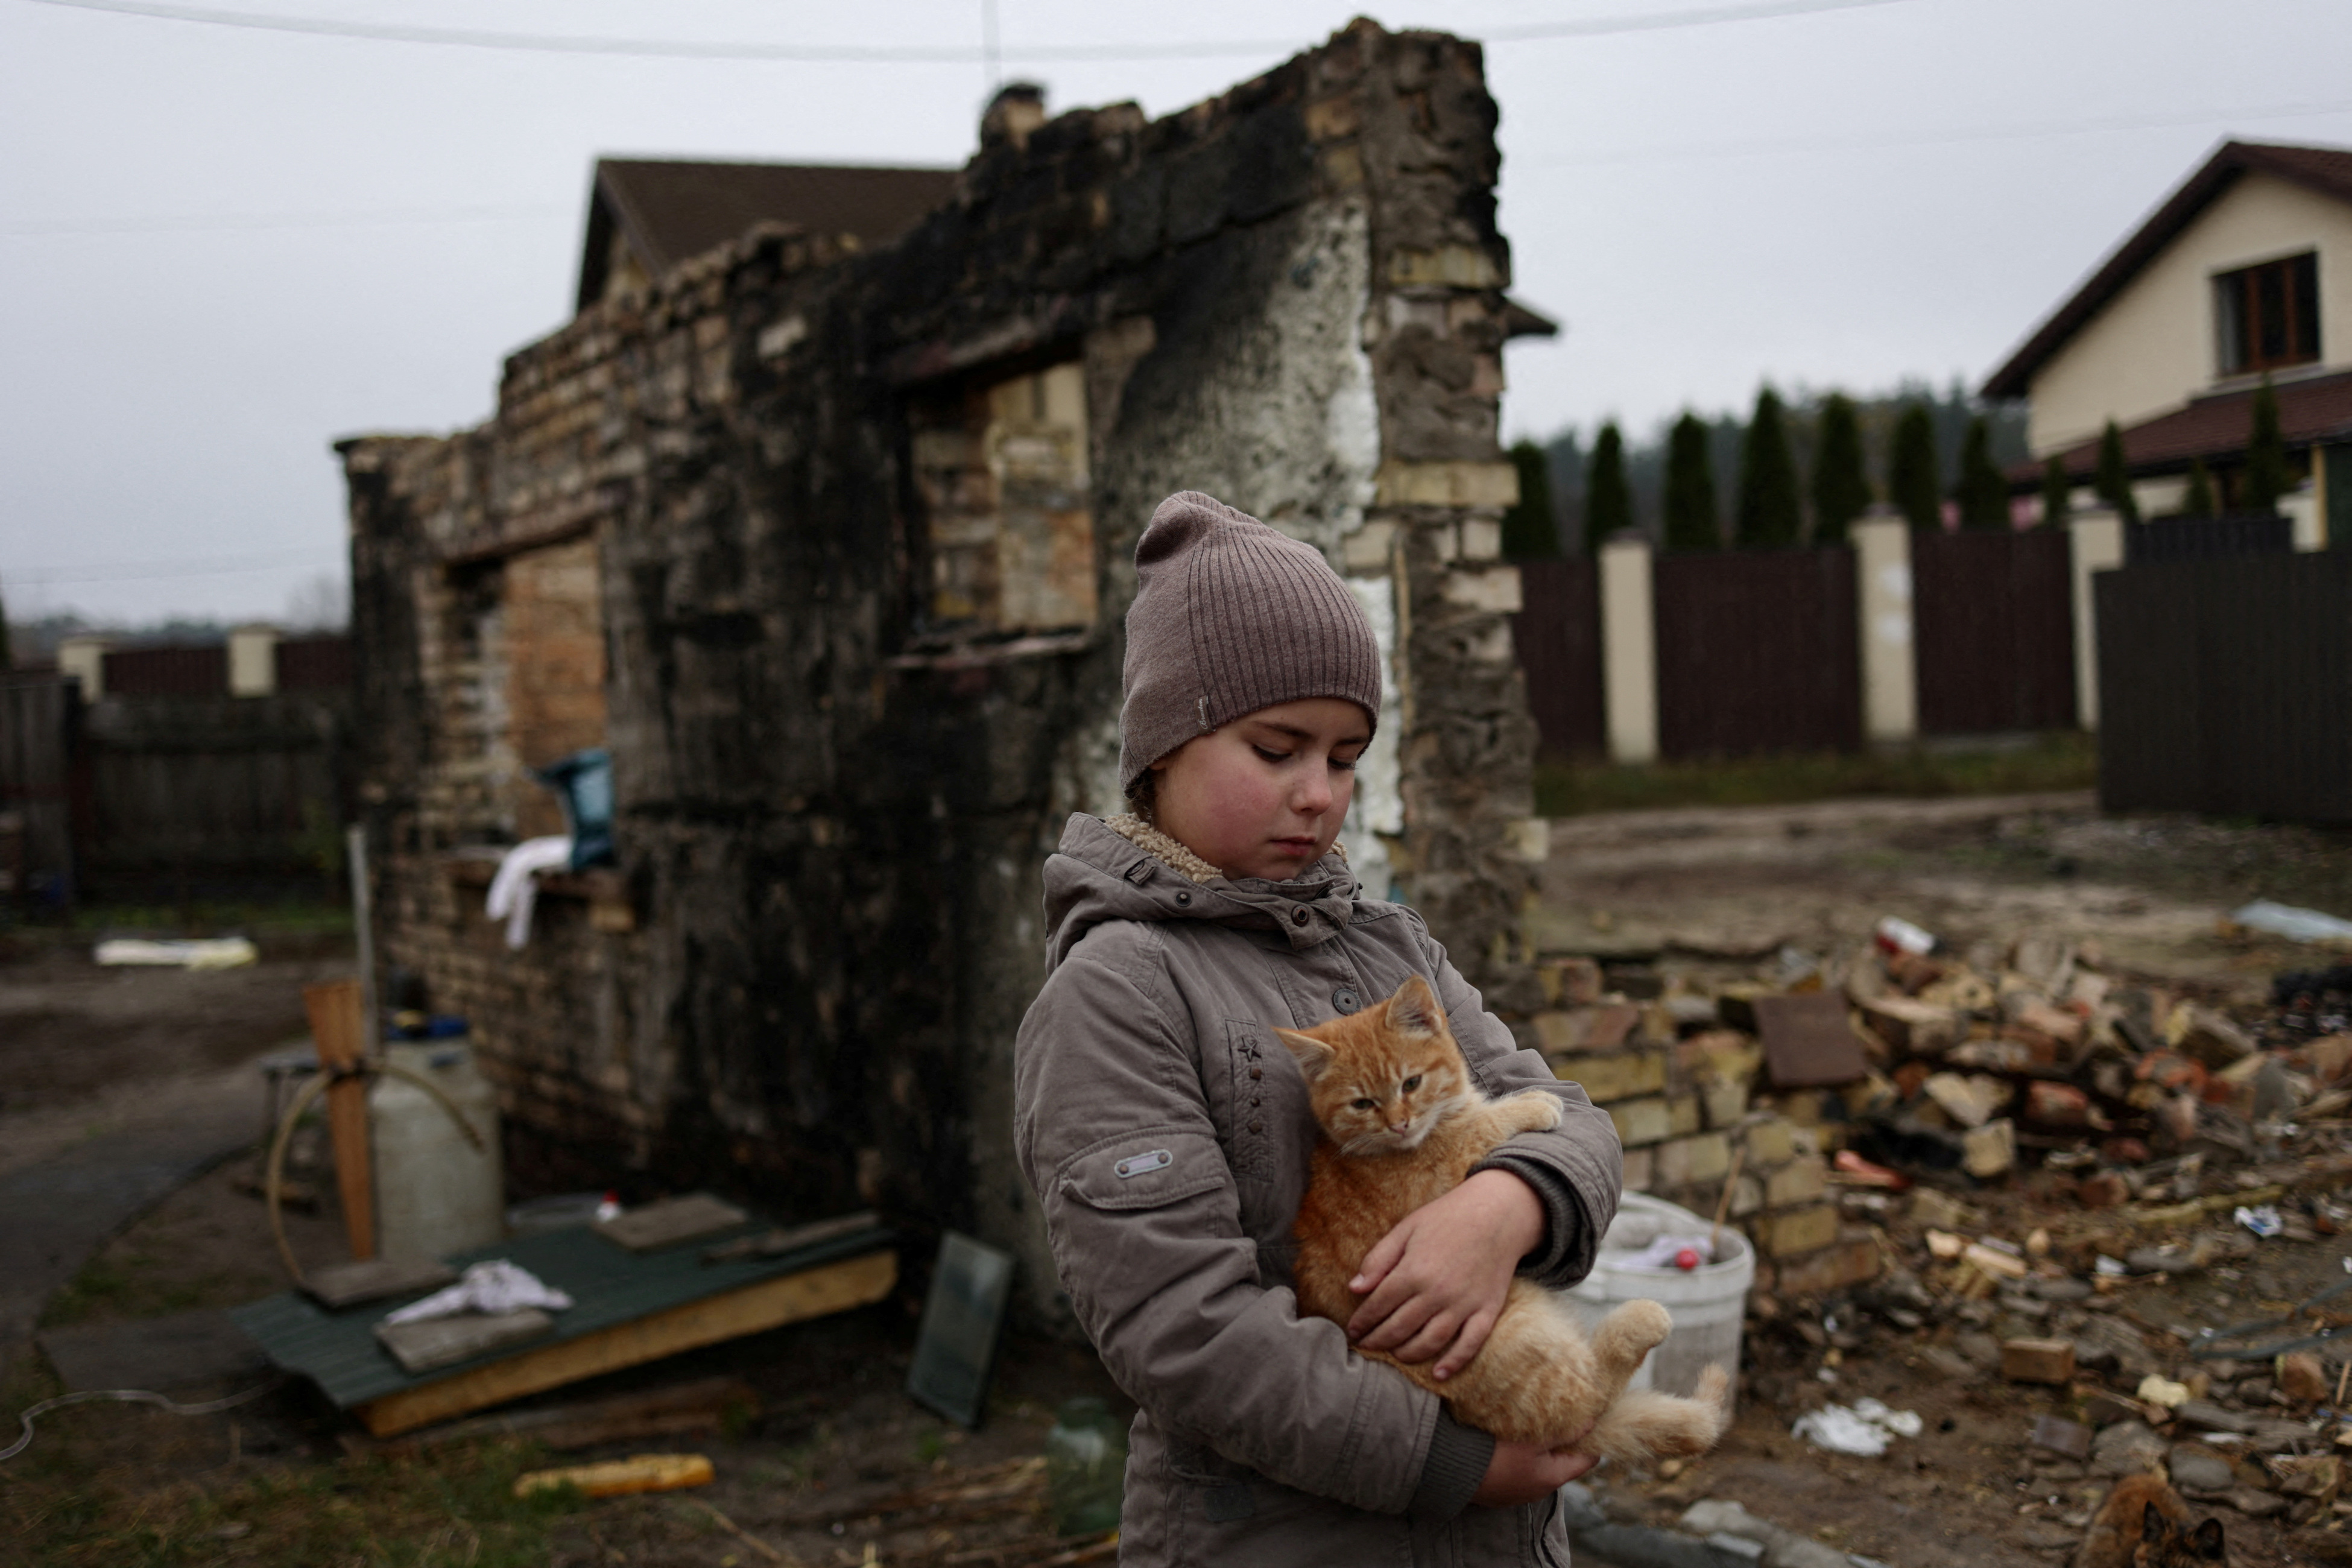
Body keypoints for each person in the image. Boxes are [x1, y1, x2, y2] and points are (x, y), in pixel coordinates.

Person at [1013, 491, 1625, 1565]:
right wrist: (1452, 1465)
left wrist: (1506, 1203)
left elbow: (1570, 1118)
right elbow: (1186, 1326)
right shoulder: (1119, 993)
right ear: (1162, 749)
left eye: (1345, 759)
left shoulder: (1391, 949)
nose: (1319, 796)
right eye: (1277, 748)